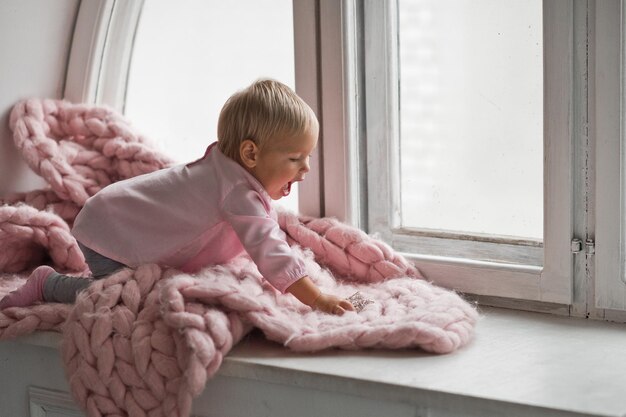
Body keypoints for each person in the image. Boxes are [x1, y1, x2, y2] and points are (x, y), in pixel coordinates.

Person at [0, 79, 355, 315]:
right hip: (110, 228)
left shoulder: (228, 174)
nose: (305, 169)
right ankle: (47, 284)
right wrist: (316, 297)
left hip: (112, 217)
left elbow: (255, 237)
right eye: (295, 159)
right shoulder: (237, 191)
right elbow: (269, 249)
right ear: (250, 154)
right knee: (117, 300)